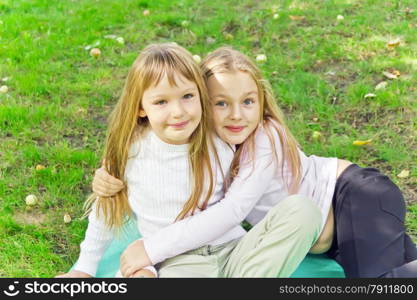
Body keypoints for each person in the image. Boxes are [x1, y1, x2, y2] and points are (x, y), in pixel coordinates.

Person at [94, 46, 417, 278]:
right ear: (203, 103)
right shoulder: (203, 135)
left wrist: (150, 249)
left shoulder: (265, 138)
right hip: (325, 235)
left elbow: (234, 208)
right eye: (221, 103)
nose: (236, 114)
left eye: (248, 101)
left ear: (261, 101)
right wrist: (108, 173)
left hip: (352, 196)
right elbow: (157, 133)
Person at [56, 43, 321, 278]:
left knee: (303, 210)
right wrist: (84, 268)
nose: (179, 112)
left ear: (201, 96)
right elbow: (106, 210)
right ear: (140, 107)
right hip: (181, 263)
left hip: (235, 249)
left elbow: (236, 205)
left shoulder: (219, 138)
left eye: (187, 96)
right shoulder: (130, 150)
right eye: (161, 102)